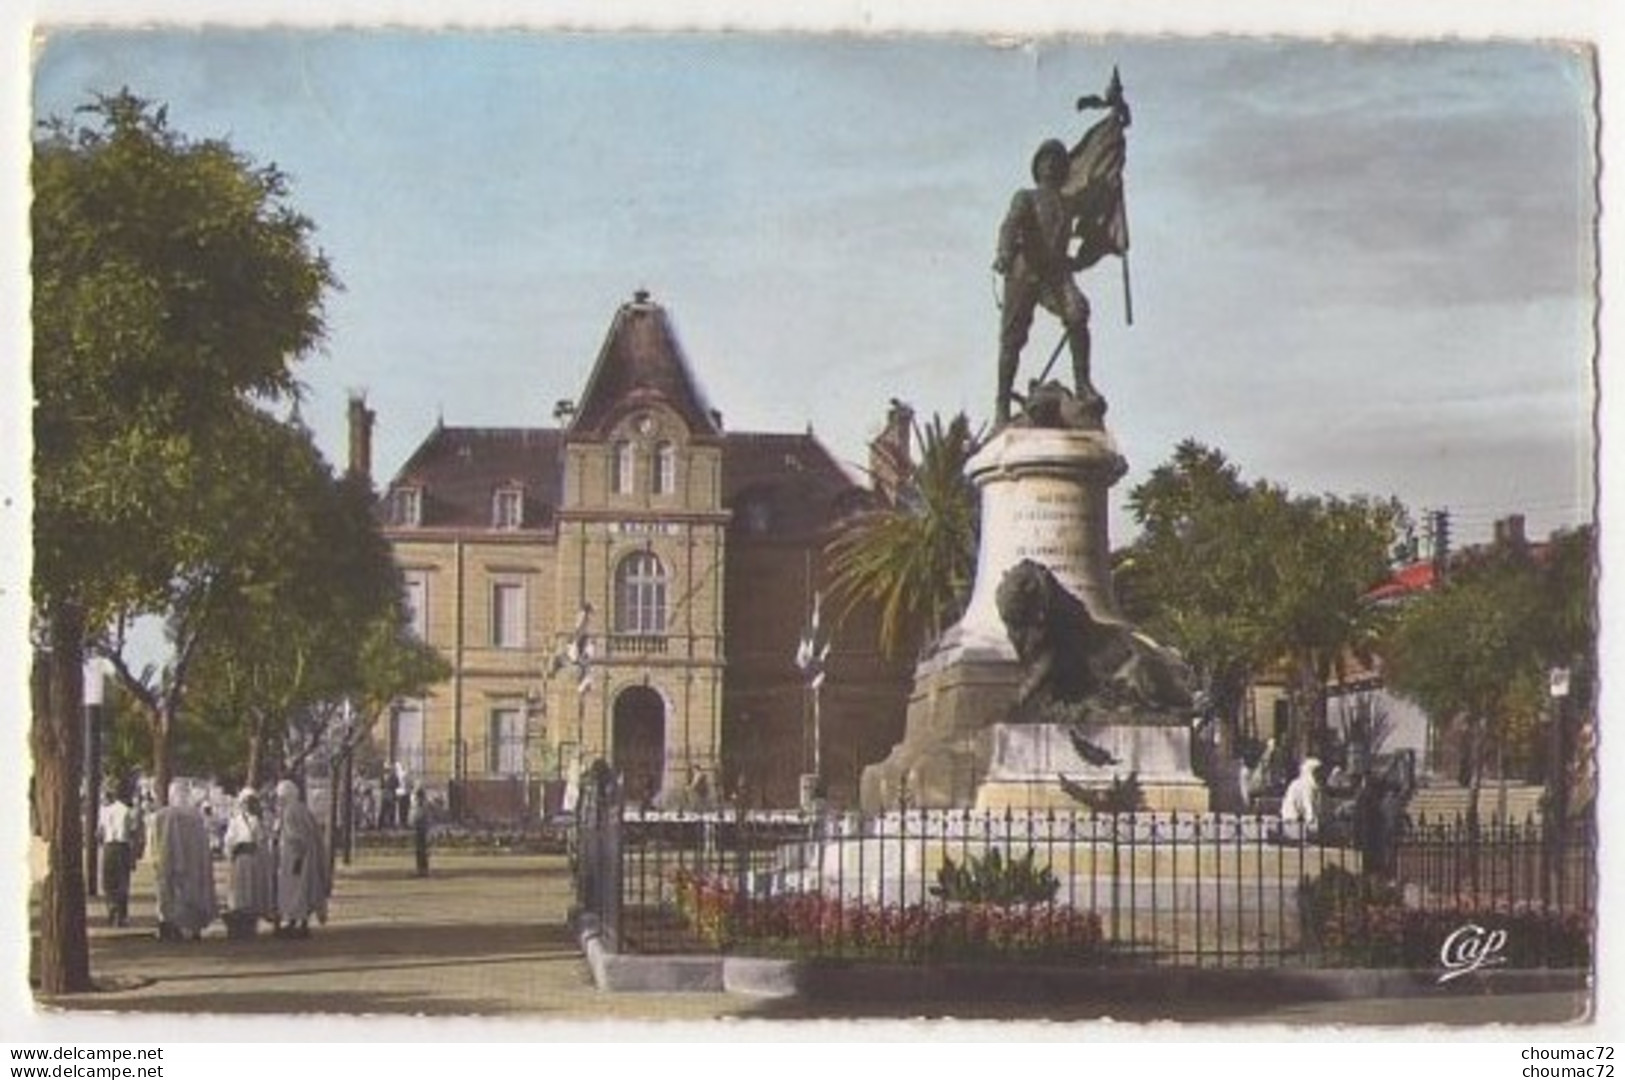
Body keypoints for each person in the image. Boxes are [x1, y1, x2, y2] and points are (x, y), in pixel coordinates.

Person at [994, 138, 1097, 425]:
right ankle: (1001, 406)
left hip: (1055, 275)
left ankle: (1083, 386)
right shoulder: (1025, 197)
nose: (1050, 164)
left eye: (1056, 160)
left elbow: (1092, 222)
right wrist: (1003, 253)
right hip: (1024, 272)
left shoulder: (1067, 203)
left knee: (1078, 312)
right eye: (1045, 160)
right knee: (1011, 341)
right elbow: (1010, 225)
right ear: (1037, 167)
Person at [150, 779, 217, 941]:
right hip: (194, 865)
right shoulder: (196, 816)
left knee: (171, 895)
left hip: (170, 862)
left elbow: (158, 842)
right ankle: (193, 929)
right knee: (192, 894)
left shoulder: (163, 815)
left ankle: (171, 926)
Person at [272, 779, 330, 939]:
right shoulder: (302, 809)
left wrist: (296, 858)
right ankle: (301, 923)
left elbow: (295, 838)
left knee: (293, 891)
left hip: (294, 859)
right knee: (302, 891)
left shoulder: (290, 812)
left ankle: (294, 923)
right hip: (305, 858)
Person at [223, 787, 275, 937]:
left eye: (252, 802)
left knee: (253, 892)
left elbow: (265, 842)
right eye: (246, 802)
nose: (248, 805)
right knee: (240, 893)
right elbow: (228, 842)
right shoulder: (235, 821)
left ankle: (252, 924)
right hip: (240, 862)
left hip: (255, 862)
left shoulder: (261, 820)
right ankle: (241, 924)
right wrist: (237, 848)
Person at [95, 778, 139, 927]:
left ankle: (111, 907)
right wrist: (134, 857)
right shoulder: (128, 811)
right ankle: (122, 915)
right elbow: (133, 834)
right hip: (123, 847)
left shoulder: (104, 811)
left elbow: (99, 833)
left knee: (108, 881)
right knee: (123, 882)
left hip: (108, 847)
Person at [1279, 757, 1323, 837]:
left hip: (1300, 818)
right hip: (1292, 818)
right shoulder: (1305, 783)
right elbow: (1307, 803)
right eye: (1317, 771)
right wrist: (1310, 820)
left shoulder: (1312, 784)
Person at [408, 783, 430, 877]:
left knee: (420, 849)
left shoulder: (418, 804)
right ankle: (422, 869)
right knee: (422, 849)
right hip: (421, 826)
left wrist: (411, 821)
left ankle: (421, 869)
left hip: (419, 827)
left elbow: (415, 815)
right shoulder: (423, 804)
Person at [380, 763, 399, 829]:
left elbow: (381, 786)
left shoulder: (383, 776)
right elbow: (397, 784)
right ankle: (390, 824)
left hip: (385, 793)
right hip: (390, 794)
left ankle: (382, 824)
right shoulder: (393, 776)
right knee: (391, 809)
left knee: (384, 810)